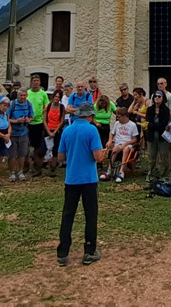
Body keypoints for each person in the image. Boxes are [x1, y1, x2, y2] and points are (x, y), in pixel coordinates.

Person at [56, 102, 104, 266]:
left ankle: (63, 252)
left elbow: (61, 157)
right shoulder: (92, 130)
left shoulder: (67, 130)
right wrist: (103, 152)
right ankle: (89, 251)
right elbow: (97, 157)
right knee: (90, 215)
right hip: (89, 179)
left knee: (67, 214)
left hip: (71, 179)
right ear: (90, 116)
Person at [102, 108, 141, 184]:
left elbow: (135, 139)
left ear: (125, 116)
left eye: (119, 117)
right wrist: (110, 140)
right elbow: (112, 134)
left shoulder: (132, 125)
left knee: (126, 149)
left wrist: (126, 143)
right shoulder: (117, 124)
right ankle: (109, 170)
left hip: (128, 144)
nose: (117, 118)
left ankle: (121, 171)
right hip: (119, 144)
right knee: (115, 150)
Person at [144, 90, 171, 182]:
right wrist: (154, 126)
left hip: (162, 137)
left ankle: (163, 175)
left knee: (163, 156)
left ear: (163, 98)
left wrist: (153, 125)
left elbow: (163, 124)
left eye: (159, 96)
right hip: (151, 137)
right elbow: (148, 122)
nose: (157, 98)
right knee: (151, 156)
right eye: (155, 96)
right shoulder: (150, 109)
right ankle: (151, 174)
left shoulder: (166, 110)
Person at [26, 75, 49, 177]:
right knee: (26, 146)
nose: (35, 82)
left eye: (37, 81)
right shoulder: (27, 93)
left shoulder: (43, 94)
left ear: (40, 82)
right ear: (31, 82)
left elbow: (46, 107)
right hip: (27, 123)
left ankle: (37, 168)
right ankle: (26, 167)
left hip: (39, 123)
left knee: (37, 147)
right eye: (34, 81)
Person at [9, 87, 33, 181]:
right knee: (12, 154)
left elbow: (31, 116)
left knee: (22, 154)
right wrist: (16, 121)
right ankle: (12, 173)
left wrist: (28, 119)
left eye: (24, 95)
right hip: (13, 133)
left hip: (24, 132)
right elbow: (6, 118)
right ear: (17, 95)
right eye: (20, 95)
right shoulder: (12, 104)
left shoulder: (28, 104)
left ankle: (20, 171)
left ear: (26, 95)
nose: (22, 97)